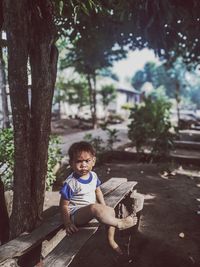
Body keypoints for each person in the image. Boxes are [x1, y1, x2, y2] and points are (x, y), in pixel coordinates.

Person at [59, 141, 137, 254]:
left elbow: (98, 191)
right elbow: (64, 205)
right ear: (71, 163)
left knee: (110, 210)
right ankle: (119, 223)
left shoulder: (93, 176)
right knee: (94, 208)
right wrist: (68, 223)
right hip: (76, 215)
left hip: (91, 210)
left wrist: (103, 207)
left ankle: (111, 240)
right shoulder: (71, 183)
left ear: (93, 161)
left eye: (87, 161)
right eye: (79, 161)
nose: (84, 165)